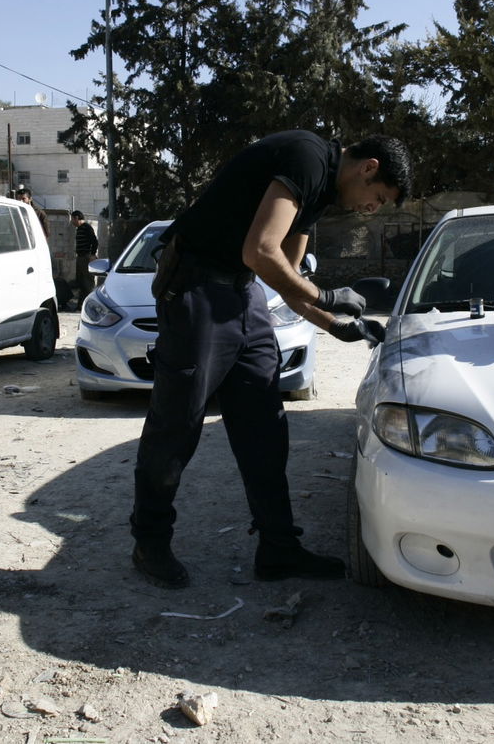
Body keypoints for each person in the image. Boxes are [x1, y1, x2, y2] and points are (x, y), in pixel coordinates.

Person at [130, 130, 412, 589]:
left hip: (243, 292)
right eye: (377, 198)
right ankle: (150, 541)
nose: (371, 208)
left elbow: (283, 273)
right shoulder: (307, 159)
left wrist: (336, 324)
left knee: (264, 423)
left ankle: (278, 549)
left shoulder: (322, 192)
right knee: (176, 424)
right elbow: (259, 250)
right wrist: (329, 295)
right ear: (369, 167)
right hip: (196, 286)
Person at [71, 210, 99, 308]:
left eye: (72, 219)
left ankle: (90, 305)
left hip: (86, 257)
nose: (72, 221)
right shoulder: (79, 229)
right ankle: (80, 305)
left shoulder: (86, 227)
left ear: (77, 218)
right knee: (81, 282)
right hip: (80, 257)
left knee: (87, 283)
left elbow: (94, 241)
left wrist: (92, 255)